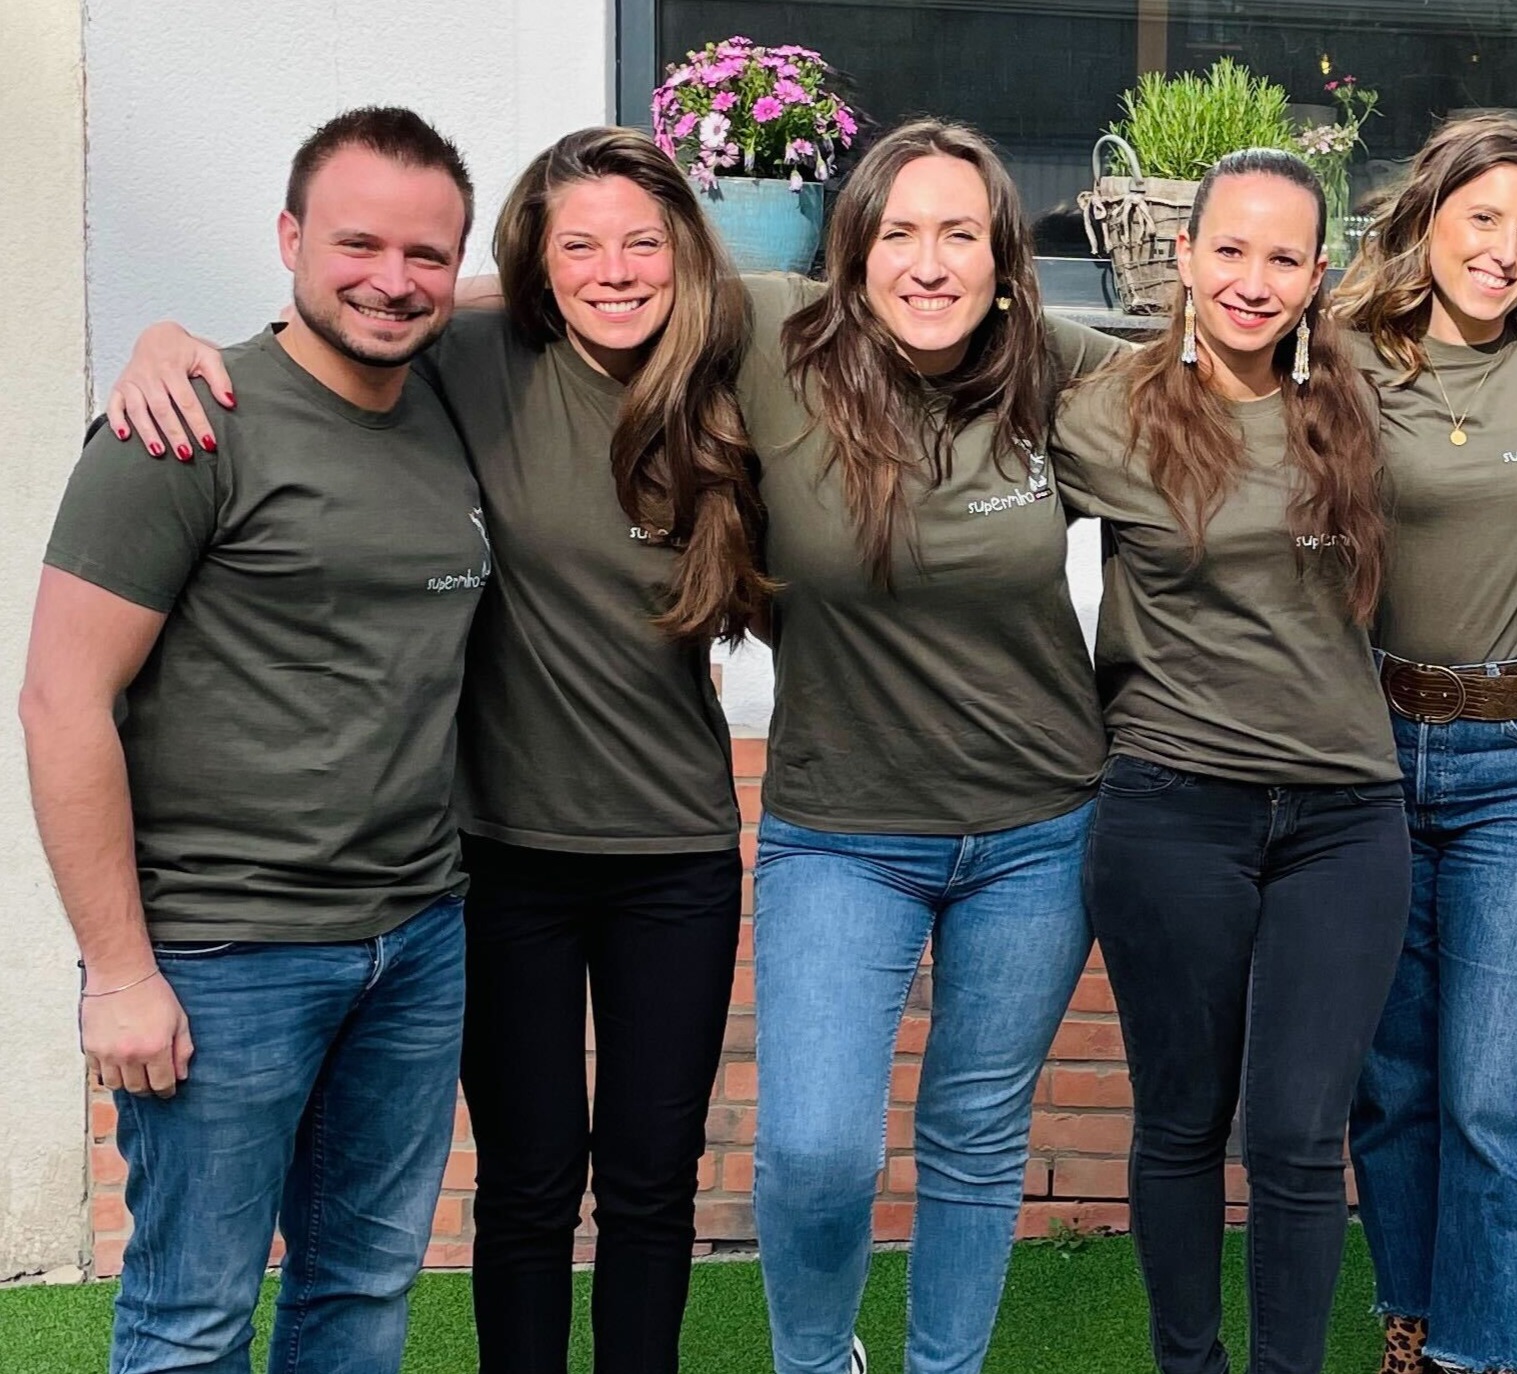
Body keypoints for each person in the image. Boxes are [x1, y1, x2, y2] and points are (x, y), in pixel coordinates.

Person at [105, 127, 771, 1374]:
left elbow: (860, 309)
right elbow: (354, 314)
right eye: (579, 246)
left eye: (642, 244)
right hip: (498, 853)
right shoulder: (473, 357)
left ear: (685, 254)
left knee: (650, 1177)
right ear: (533, 261)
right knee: (527, 1177)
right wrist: (167, 341)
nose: (613, 271)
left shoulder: (726, 379)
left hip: (675, 852)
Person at [24, 107, 488, 1374]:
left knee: (363, 1290)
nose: (392, 279)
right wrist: (118, 972)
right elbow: (61, 701)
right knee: (193, 1316)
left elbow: (571, 279)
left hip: (415, 939)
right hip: (225, 953)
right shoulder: (184, 425)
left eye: (428, 253)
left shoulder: (443, 398)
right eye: (356, 244)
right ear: (288, 238)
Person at [735, 119, 1126, 1374]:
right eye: (899, 232)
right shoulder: (772, 340)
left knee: (973, 1134)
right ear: (851, 252)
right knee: (814, 1147)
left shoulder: (1051, 365)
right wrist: (275, 333)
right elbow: (579, 284)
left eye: (959, 234)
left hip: (1039, 833)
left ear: (1004, 262)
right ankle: (815, 1362)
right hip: (840, 833)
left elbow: (1226, 373)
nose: (928, 262)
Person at [1052, 146, 1408, 1374]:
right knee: (1182, 1121)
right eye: (1230, 250)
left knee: (1301, 1136)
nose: (1253, 281)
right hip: (1171, 808)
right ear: (1185, 257)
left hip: (1344, 819)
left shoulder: (1364, 405)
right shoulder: (1105, 410)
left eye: (1283, 258)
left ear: (1318, 274)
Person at [1332, 116, 1517, 1374]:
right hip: (1374, 748)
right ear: (1426, 217)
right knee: (1389, 1082)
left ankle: (1485, 1358)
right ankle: (1412, 1327)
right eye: (1482, 218)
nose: (1504, 249)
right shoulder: (1339, 358)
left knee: (1495, 1097)